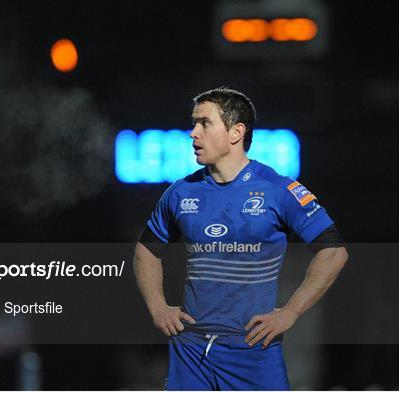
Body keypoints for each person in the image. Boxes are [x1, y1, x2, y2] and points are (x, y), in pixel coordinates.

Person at [133, 87, 348, 390]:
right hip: (191, 349)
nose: (193, 133)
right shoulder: (180, 193)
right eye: (194, 123)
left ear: (236, 132)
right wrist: (158, 307)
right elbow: (145, 252)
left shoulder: (278, 189)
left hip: (253, 348)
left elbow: (334, 252)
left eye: (204, 123)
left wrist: (290, 312)